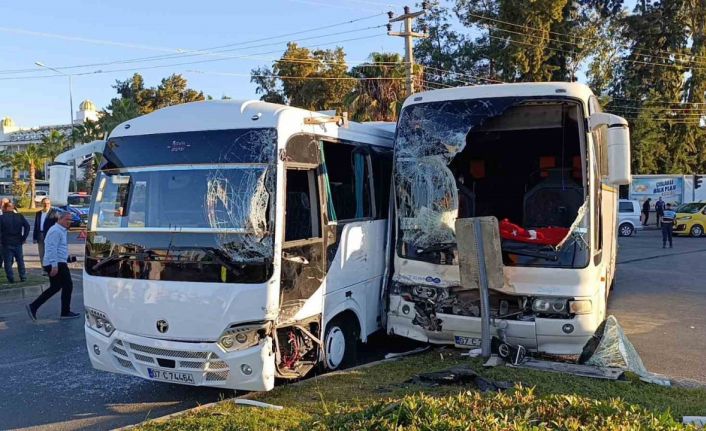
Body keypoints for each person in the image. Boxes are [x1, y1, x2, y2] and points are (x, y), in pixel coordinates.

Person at [26, 211, 80, 320]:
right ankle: (65, 312)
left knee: (55, 287)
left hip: (58, 262)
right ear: (59, 219)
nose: (69, 222)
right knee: (67, 286)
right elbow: (51, 249)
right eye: (67, 220)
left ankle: (33, 306)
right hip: (56, 264)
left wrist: (68, 258)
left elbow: (58, 248)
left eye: (70, 220)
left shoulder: (60, 230)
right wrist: (54, 265)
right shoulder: (55, 231)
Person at [0, 202, 30, 283]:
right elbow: (27, 226)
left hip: (6, 242)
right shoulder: (19, 216)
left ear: (5, 208)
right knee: (20, 260)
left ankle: (11, 278)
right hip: (18, 241)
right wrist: (24, 237)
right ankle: (23, 276)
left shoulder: (1, 218)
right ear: (13, 208)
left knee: (7, 262)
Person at [33, 197, 58, 269]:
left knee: (50, 253)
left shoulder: (54, 213)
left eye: (48, 203)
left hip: (50, 236)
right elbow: (36, 226)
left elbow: (57, 225)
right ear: (41, 204)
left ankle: (51, 268)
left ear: (50, 204)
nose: (46, 205)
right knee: (42, 254)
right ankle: (44, 269)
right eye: (44, 203)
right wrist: (35, 237)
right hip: (40, 235)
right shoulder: (38, 213)